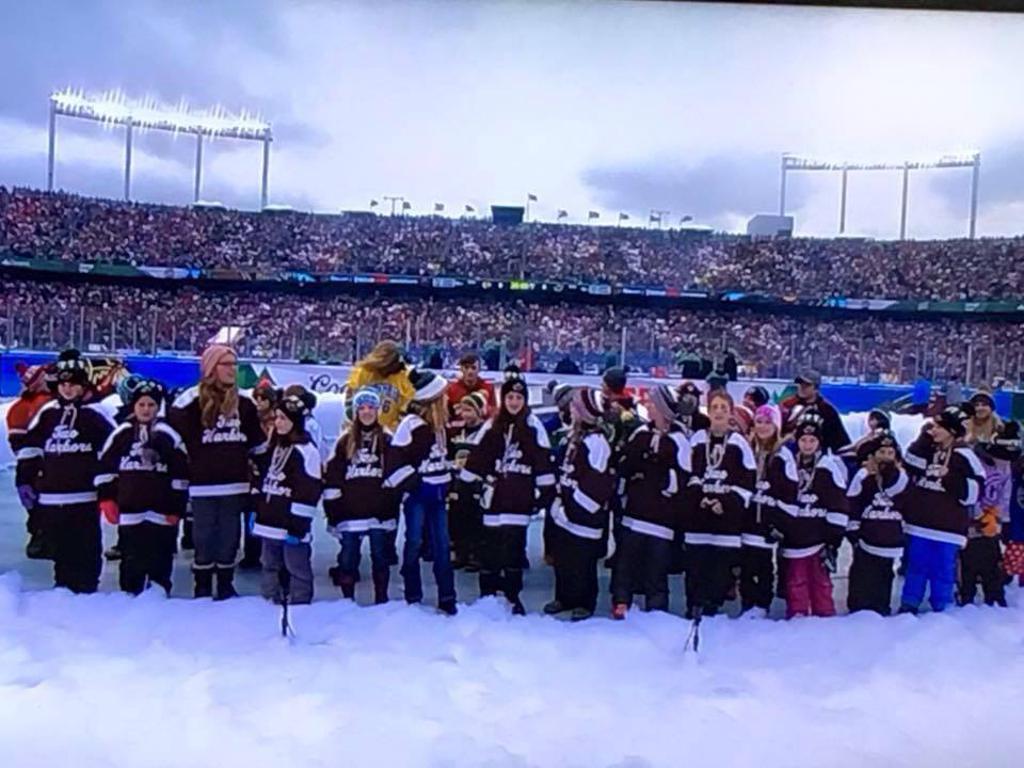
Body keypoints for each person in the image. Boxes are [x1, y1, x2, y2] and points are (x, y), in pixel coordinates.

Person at [169, 345, 267, 599]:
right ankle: (201, 584)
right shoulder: (189, 401)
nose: (233, 370)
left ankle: (225, 583)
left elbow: (258, 444)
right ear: (212, 368)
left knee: (229, 538)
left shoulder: (245, 403)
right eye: (226, 364)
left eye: (235, 364)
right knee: (203, 538)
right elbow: (171, 439)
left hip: (235, 484)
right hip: (202, 484)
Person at [15, 350, 115, 593]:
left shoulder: (96, 414)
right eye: (64, 384)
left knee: (86, 550)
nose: (68, 389)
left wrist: (108, 489)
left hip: (84, 497)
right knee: (61, 555)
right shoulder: (48, 413)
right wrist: (24, 480)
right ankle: (62, 597)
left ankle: (88, 592)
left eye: (73, 384)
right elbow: (31, 448)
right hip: (51, 497)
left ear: (83, 385)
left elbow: (113, 451)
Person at [462, 376, 555, 614]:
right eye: (510, 397)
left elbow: (543, 463)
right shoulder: (492, 425)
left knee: (513, 552)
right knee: (489, 550)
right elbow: (477, 457)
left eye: (519, 397)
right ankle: (487, 597)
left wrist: (543, 494)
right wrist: (468, 484)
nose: (514, 402)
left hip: (519, 499)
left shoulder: (534, 427)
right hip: (493, 499)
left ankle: (513, 597)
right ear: (503, 399)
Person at [96, 379, 188, 595]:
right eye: (142, 405)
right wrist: (107, 497)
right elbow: (106, 466)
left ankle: (159, 596)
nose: (146, 410)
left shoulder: (169, 435)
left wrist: (177, 508)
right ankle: (129, 596)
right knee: (131, 559)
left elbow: (181, 473)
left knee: (161, 558)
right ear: (133, 406)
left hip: (162, 512)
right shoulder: (122, 434)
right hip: (130, 509)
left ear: (159, 407)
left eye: (151, 405)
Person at [611, 385, 690, 618]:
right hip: (634, 513)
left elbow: (684, 477)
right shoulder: (640, 433)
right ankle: (621, 601)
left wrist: (659, 478)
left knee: (656, 568)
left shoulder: (679, 440)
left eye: (653, 404)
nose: (648, 406)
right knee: (625, 563)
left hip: (661, 518)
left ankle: (657, 610)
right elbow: (626, 463)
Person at [383, 369, 458, 615]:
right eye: (443, 397)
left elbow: (444, 459)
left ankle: (447, 596)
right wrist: (414, 483)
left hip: (438, 496)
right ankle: (413, 594)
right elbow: (395, 462)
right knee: (414, 542)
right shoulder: (410, 426)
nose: (448, 400)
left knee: (442, 546)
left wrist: (450, 482)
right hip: (418, 496)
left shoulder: (441, 427)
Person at [900, 407, 985, 614]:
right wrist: (923, 438)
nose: (933, 429)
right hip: (919, 525)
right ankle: (909, 603)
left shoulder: (965, 455)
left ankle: (942, 607)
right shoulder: (929, 449)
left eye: (939, 426)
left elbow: (975, 492)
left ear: (952, 431)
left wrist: (949, 477)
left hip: (948, 528)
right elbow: (909, 462)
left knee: (943, 569)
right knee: (916, 566)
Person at [681, 389, 756, 619]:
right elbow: (686, 472)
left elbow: (747, 481)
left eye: (724, 408)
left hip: (726, 523)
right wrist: (699, 497)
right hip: (698, 520)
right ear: (708, 411)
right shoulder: (696, 440)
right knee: (695, 569)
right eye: (715, 407)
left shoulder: (739, 443)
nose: (719, 412)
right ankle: (693, 608)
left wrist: (726, 502)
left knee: (719, 572)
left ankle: (713, 610)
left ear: (731, 412)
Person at [544, 387, 616, 621]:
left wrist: (573, 507)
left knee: (582, 562)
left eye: (575, 406)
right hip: (564, 513)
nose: (571, 409)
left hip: (583, 517)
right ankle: (564, 597)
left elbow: (597, 486)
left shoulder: (597, 443)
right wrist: (557, 500)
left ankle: (585, 602)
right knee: (563, 557)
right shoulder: (572, 437)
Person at [323, 388, 397, 604]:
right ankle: (347, 603)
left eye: (370, 408)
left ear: (377, 411)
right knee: (348, 559)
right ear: (355, 412)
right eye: (361, 408)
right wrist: (334, 512)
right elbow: (333, 477)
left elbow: (396, 473)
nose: (366, 412)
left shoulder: (387, 439)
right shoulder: (344, 441)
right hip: (350, 512)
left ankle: (381, 601)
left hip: (378, 512)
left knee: (380, 557)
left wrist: (389, 504)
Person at [250, 389, 322, 606]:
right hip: (268, 521)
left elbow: (309, 491)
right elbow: (261, 481)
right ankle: (269, 603)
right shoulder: (272, 447)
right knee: (269, 565)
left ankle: (300, 605)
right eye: (276, 418)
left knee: (297, 568)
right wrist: (256, 509)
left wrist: (299, 525)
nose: (278, 423)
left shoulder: (307, 451)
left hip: (291, 524)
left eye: (283, 418)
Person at [776, 412, 848, 618]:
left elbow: (838, 503)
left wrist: (833, 538)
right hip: (794, 539)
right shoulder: (788, 464)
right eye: (803, 440)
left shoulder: (828, 467)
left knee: (821, 582)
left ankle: (824, 617)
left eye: (812, 440)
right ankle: (797, 616)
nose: (807, 445)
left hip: (819, 539)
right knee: (796, 581)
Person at [742, 404, 797, 617]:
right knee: (746, 567)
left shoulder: (783, 456)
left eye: (768, 422)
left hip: (767, 526)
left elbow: (790, 493)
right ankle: (747, 605)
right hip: (746, 525)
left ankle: (762, 606)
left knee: (763, 567)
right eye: (759, 422)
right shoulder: (747, 450)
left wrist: (777, 523)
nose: (763, 427)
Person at [845, 430, 909, 615]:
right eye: (882, 453)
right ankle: (858, 607)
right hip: (866, 537)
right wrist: (853, 530)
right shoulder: (863, 476)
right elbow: (853, 503)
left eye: (890, 453)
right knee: (862, 572)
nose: (886, 457)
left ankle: (882, 607)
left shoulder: (902, 479)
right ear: (873, 455)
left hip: (889, 536)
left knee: (884, 573)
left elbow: (908, 507)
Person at [6, 360, 55, 560]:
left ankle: (41, 535)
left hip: (32, 464)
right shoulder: (44, 403)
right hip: (39, 463)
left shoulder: (20, 406)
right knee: (39, 502)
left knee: (35, 502)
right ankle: (42, 535)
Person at [240, 379, 280, 570]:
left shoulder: (277, 421)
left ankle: (267, 552)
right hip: (252, 473)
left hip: (270, 471)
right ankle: (251, 553)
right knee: (251, 515)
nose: (259, 402)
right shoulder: (249, 418)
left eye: (263, 399)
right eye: (256, 398)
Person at [447, 391, 489, 572]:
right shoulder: (458, 432)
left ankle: (477, 555)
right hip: (458, 481)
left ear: (479, 411)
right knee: (457, 517)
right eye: (463, 410)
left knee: (476, 519)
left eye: (470, 409)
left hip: (477, 483)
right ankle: (460, 552)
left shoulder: (485, 432)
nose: (465, 414)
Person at [347, 340, 415, 431]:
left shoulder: (403, 375)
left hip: (391, 431)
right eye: (394, 363)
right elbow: (350, 401)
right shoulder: (362, 373)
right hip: (362, 429)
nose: (397, 367)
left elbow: (407, 406)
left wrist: (398, 428)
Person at [779, 369, 850, 454]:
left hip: (818, 457)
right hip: (788, 454)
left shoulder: (826, 410)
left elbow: (839, 440)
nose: (802, 387)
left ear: (816, 388)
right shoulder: (788, 405)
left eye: (807, 385)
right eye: (800, 384)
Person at [446, 353, 496, 419]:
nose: (470, 371)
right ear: (461, 369)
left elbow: (494, 413)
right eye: (466, 367)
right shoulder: (451, 389)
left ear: (479, 369)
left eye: (473, 368)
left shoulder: (488, 388)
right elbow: (446, 414)